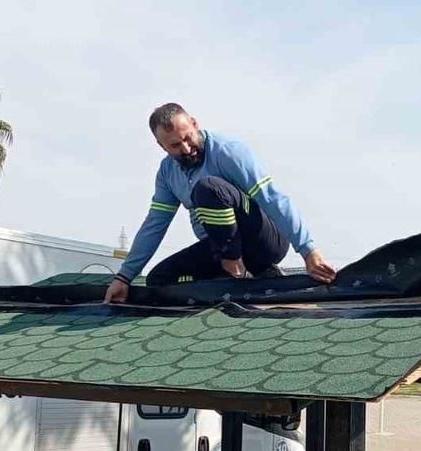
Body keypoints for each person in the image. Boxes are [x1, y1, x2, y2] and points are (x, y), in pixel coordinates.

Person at [104, 103, 337, 303]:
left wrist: (309, 251)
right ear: (161, 146)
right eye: (175, 145)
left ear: (195, 124)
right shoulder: (167, 173)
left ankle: (237, 272)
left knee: (207, 188)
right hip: (220, 247)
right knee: (159, 280)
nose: (186, 148)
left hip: (264, 241)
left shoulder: (228, 152)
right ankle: (257, 276)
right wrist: (124, 277)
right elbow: (154, 224)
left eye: (188, 138)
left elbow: (272, 197)